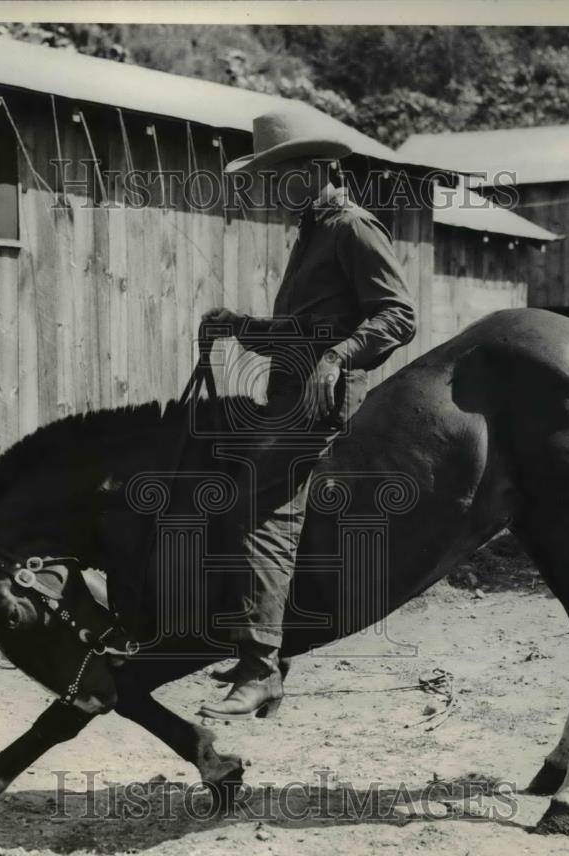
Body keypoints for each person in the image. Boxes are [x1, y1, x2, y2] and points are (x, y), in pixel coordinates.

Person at [196, 104, 417, 718]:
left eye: (277, 175)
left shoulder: (351, 227)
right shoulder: (312, 231)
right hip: (288, 396)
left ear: (317, 169)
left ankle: (262, 665)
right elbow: (300, 332)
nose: (268, 188)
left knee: (264, 508)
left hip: (322, 402)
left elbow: (399, 316)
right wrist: (238, 327)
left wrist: (338, 357)